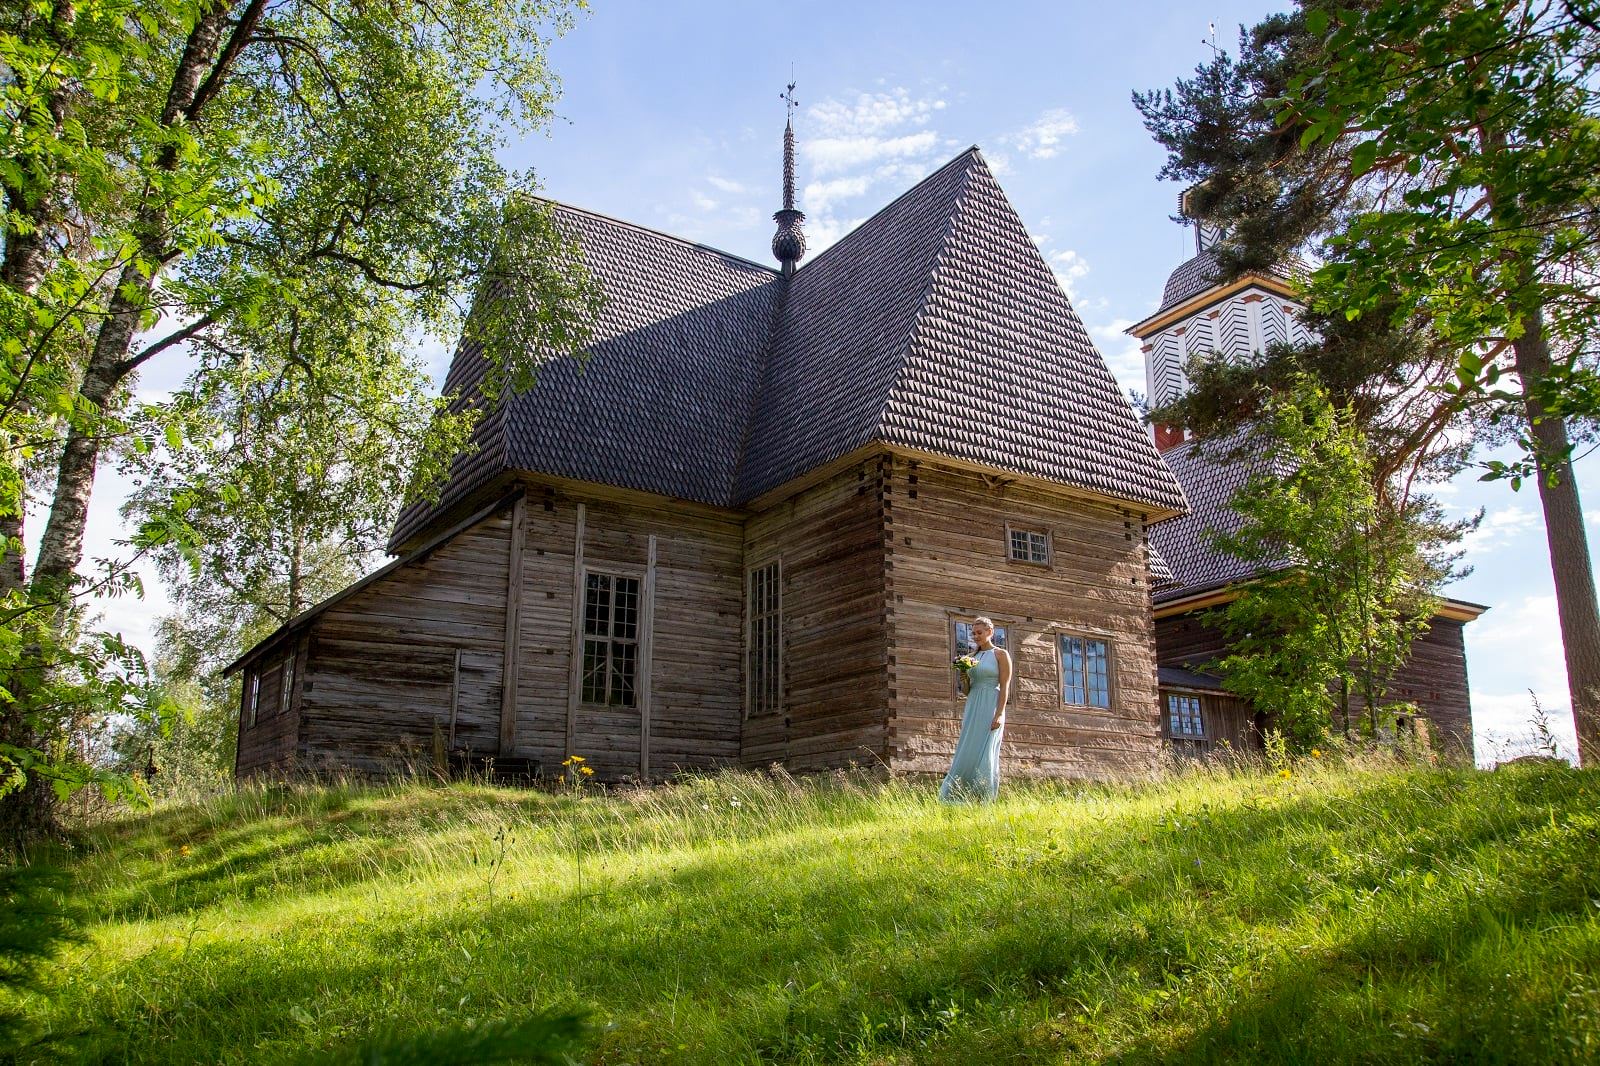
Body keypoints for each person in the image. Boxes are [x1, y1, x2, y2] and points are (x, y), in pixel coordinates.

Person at [939, 616, 1011, 802]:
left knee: (987, 751)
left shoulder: (1001, 655)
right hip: (973, 704)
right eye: (973, 633)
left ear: (990, 632)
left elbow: (1004, 686)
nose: (976, 636)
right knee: (967, 748)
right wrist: (963, 675)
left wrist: (1000, 714)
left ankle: (984, 797)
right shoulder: (970, 658)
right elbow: (966, 690)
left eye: (979, 633)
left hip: (991, 704)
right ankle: (957, 795)